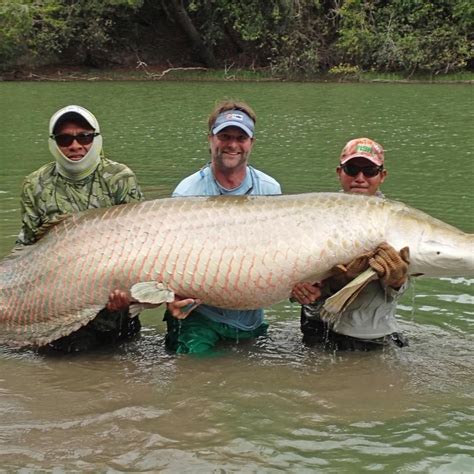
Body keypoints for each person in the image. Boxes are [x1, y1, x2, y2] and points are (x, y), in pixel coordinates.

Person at [17, 104, 145, 352]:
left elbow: (141, 244)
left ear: (95, 138)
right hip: (59, 307)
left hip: (114, 308)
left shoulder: (119, 177)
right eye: (65, 139)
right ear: (54, 142)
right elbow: (27, 247)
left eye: (84, 137)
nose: (75, 146)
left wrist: (129, 294)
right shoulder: (35, 184)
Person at [164, 99, 282, 354]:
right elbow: (169, 260)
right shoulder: (186, 193)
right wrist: (170, 299)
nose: (232, 144)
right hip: (198, 314)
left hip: (249, 318)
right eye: (225, 136)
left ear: (251, 143)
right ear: (211, 140)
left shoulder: (270, 190)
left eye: (241, 137)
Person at [291, 138, 410, 351]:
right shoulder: (315, 216)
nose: (360, 178)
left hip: (369, 333)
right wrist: (298, 289)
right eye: (352, 169)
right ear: (340, 172)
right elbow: (290, 274)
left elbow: (408, 278)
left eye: (370, 170)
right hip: (317, 326)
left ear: (382, 176)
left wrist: (397, 280)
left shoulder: (397, 221)